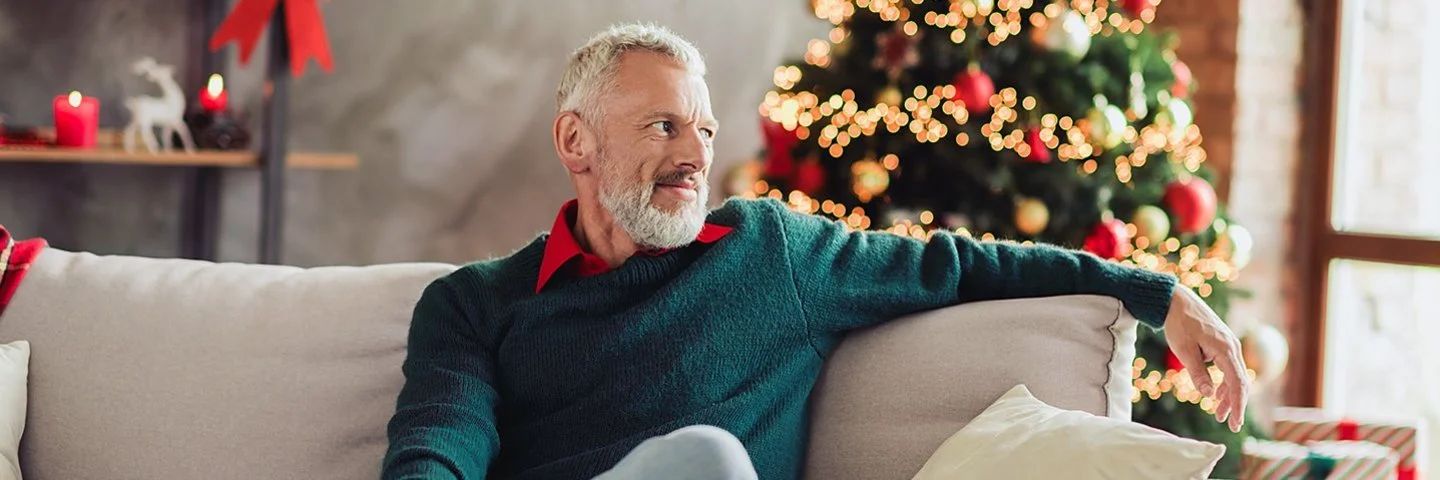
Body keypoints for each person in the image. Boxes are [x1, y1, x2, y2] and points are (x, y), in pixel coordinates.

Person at [381, 22, 1249, 480]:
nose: (694, 153)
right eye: (662, 125)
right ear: (576, 142)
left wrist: (1154, 291)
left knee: (710, 461)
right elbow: (435, 452)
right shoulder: (474, 305)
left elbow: (961, 264)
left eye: (706, 129)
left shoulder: (769, 255)